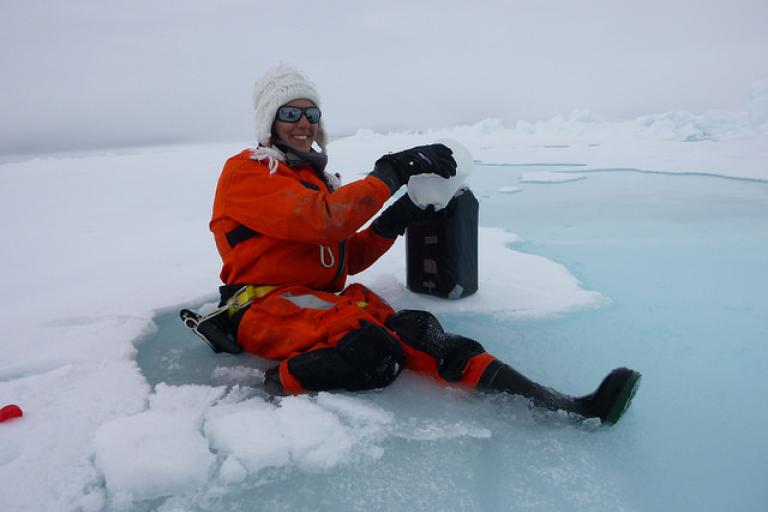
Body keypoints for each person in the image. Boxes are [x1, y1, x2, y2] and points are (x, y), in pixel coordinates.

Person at [206, 64, 640, 425]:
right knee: (372, 349)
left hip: (318, 303)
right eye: (290, 113)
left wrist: (404, 210)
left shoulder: (315, 180)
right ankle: (280, 382)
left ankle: (566, 408)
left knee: (420, 332)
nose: (303, 123)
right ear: (269, 121)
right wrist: (391, 170)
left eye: (310, 113)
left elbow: (345, 258)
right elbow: (325, 222)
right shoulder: (250, 172)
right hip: (265, 308)